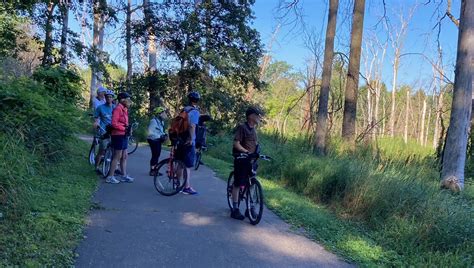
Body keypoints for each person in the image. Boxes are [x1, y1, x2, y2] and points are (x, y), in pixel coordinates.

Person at [230, 107, 262, 220]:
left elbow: (256, 144)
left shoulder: (254, 130)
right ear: (251, 116)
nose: (259, 117)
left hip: (251, 160)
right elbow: (236, 144)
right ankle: (235, 209)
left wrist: (257, 152)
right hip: (241, 158)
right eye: (257, 115)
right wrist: (246, 152)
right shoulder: (242, 128)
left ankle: (250, 208)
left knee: (252, 182)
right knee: (238, 183)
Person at [104, 92, 134, 184]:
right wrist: (124, 128)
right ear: (122, 99)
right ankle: (110, 177)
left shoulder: (124, 109)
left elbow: (125, 122)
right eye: (128, 99)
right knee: (117, 156)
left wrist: (128, 129)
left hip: (124, 135)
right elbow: (114, 123)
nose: (129, 101)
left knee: (124, 156)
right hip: (117, 134)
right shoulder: (118, 109)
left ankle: (123, 176)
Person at [175, 91, 201, 195]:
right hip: (188, 140)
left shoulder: (184, 109)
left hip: (180, 139)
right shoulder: (194, 111)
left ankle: (178, 184)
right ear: (197, 101)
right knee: (188, 165)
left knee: (180, 163)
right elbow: (192, 126)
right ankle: (186, 187)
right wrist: (191, 138)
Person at [93, 89, 116, 172]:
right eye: (107, 97)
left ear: (113, 98)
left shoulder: (115, 108)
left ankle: (112, 167)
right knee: (102, 150)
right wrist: (96, 123)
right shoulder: (100, 108)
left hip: (114, 130)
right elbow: (96, 117)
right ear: (105, 98)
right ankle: (96, 167)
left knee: (114, 150)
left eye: (110, 97)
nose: (109, 98)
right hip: (104, 130)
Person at [147, 106, 168, 176]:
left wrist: (164, 134)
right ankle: (152, 170)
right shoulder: (153, 121)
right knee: (155, 154)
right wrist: (160, 136)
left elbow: (159, 130)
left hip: (157, 140)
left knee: (157, 154)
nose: (165, 114)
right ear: (159, 114)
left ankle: (154, 169)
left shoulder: (161, 121)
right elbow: (150, 132)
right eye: (163, 113)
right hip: (153, 140)